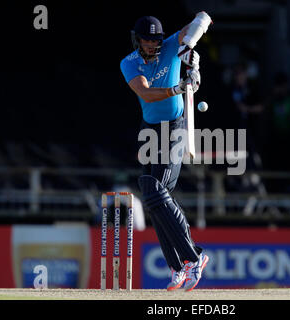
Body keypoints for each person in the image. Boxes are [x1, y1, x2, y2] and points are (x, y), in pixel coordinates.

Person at [120, 15, 209, 291]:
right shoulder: (129, 63)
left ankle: (194, 257)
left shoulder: (172, 45)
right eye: (146, 41)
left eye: (155, 41)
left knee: (157, 190)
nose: (151, 45)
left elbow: (203, 19)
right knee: (150, 193)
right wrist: (178, 87)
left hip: (174, 127)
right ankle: (177, 266)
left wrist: (190, 51)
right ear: (137, 40)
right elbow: (145, 94)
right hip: (150, 130)